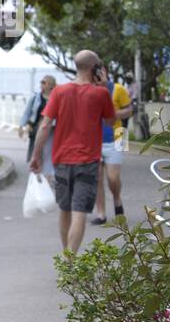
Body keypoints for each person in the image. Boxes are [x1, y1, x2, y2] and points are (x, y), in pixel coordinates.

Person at [29, 50, 115, 253]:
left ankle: (67, 257)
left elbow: (45, 125)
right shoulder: (100, 93)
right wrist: (103, 88)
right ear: (95, 68)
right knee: (79, 213)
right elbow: (111, 122)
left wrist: (36, 156)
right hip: (88, 162)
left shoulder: (59, 92)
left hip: (62, 161)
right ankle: (70, 261)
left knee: (65, 210)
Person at [90, 65, 134, 225]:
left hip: (118, 135)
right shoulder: (89, 90)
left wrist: (113, 114)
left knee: (113, 177)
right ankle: (101, 213)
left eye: (101, 71)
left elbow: (129, 111)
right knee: (97, 178)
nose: (98, 75)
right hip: (93, 139)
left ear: (107, 72)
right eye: (95, 72)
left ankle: (117, 200)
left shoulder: (118, 89)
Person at [19, 75, 56, 168]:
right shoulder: (35, 97)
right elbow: (27, 112)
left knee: (47, 152)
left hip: (50, 130)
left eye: (44, 82)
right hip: (35, 128)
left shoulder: (56, 98)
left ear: (51, 85)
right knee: (34, 150)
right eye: (41, 82)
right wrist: (21, 126)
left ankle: (45, 172)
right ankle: (33, 170)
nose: (41, 84)